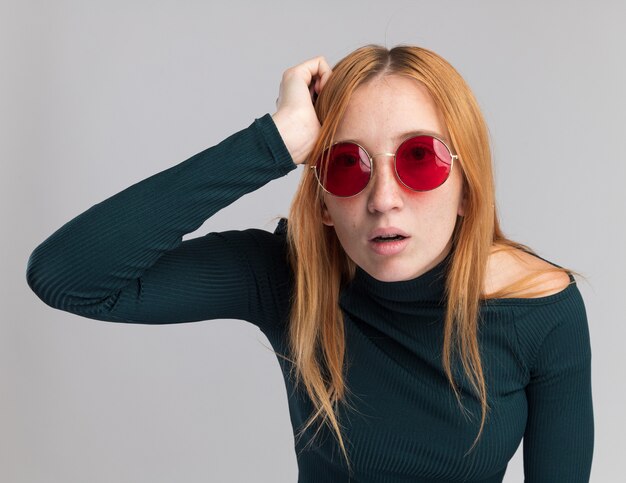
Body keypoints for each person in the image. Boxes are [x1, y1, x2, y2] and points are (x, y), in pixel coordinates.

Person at [26, 44, 594, 482]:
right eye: (348, 165)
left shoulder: (542, 309)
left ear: (468, 188)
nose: (383, 199)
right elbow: (68, 278)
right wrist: (274, 142)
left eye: (419, 159)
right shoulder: (288, 277)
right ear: (322, 200)